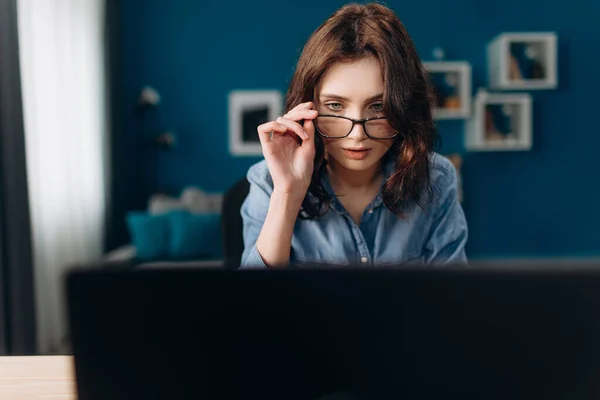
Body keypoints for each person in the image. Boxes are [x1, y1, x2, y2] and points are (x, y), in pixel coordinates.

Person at [239, 3, 468, 268]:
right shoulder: (269, 182)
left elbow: (451, 300)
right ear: (307, 106)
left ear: (403, 107)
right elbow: (254, 304)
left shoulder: (437, 179)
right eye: (335, 106)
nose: (358, 135)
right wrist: (288, 193)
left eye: (378, 106)